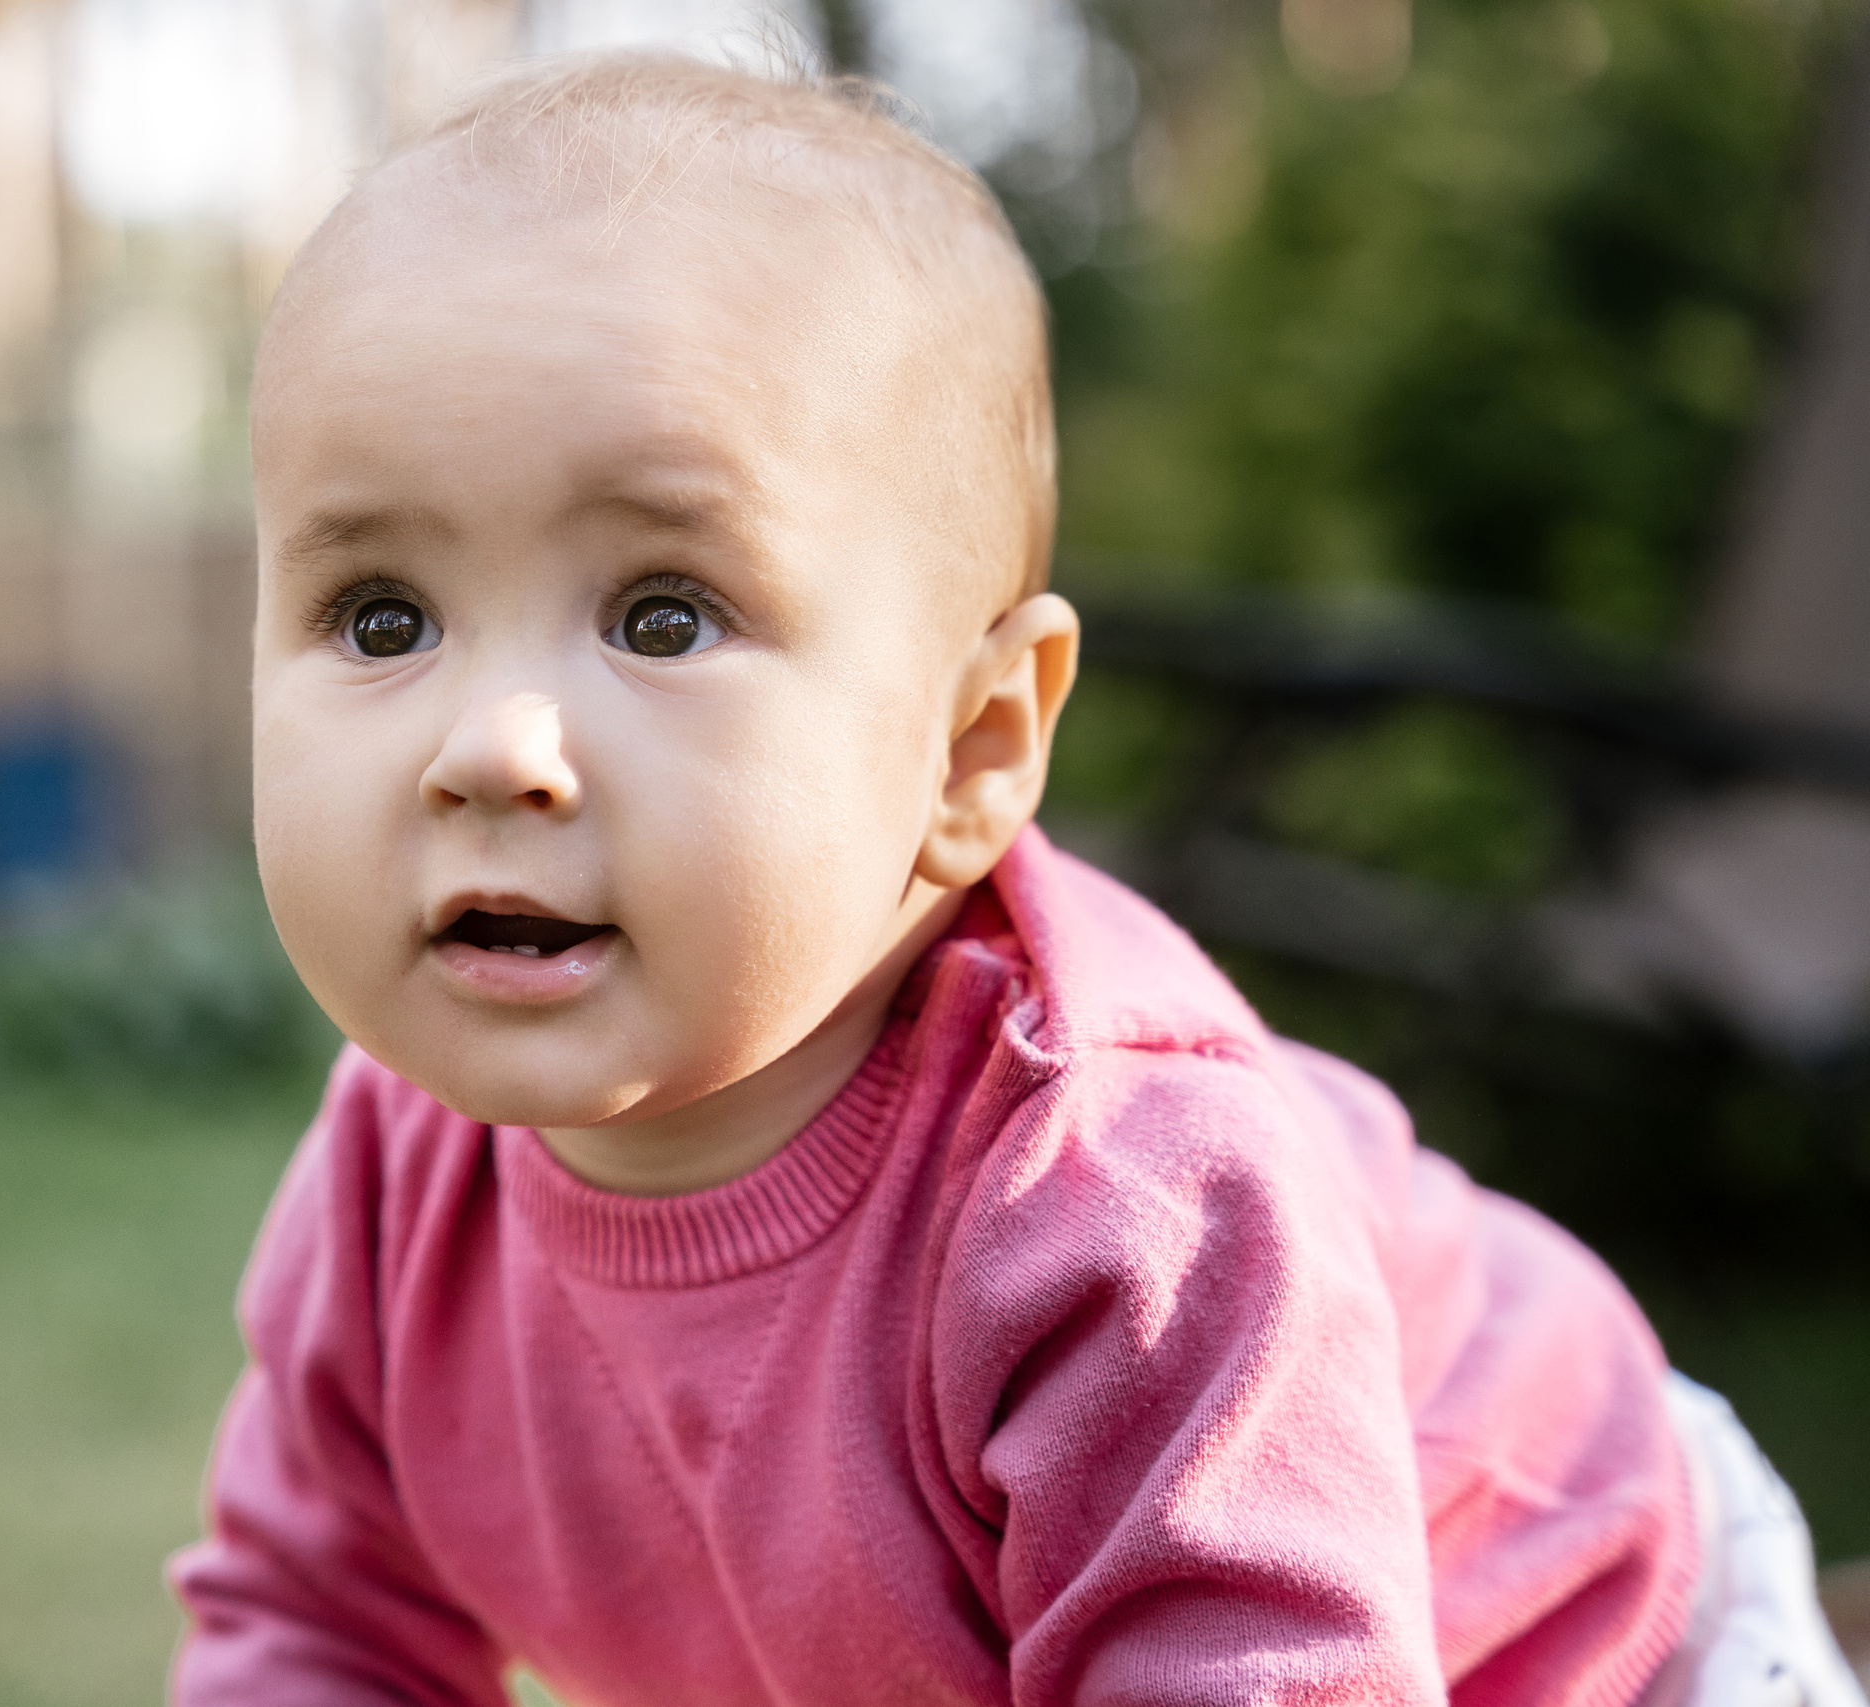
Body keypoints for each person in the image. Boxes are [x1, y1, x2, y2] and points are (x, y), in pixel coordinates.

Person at [170, 53, 1865, 1707]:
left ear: (973, 753)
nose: (495, 746)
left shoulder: (1122, 1202)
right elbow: (315, 1618)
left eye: (663, 615)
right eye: (380, 617)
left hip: (1575, 1631)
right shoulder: (400, 1173)